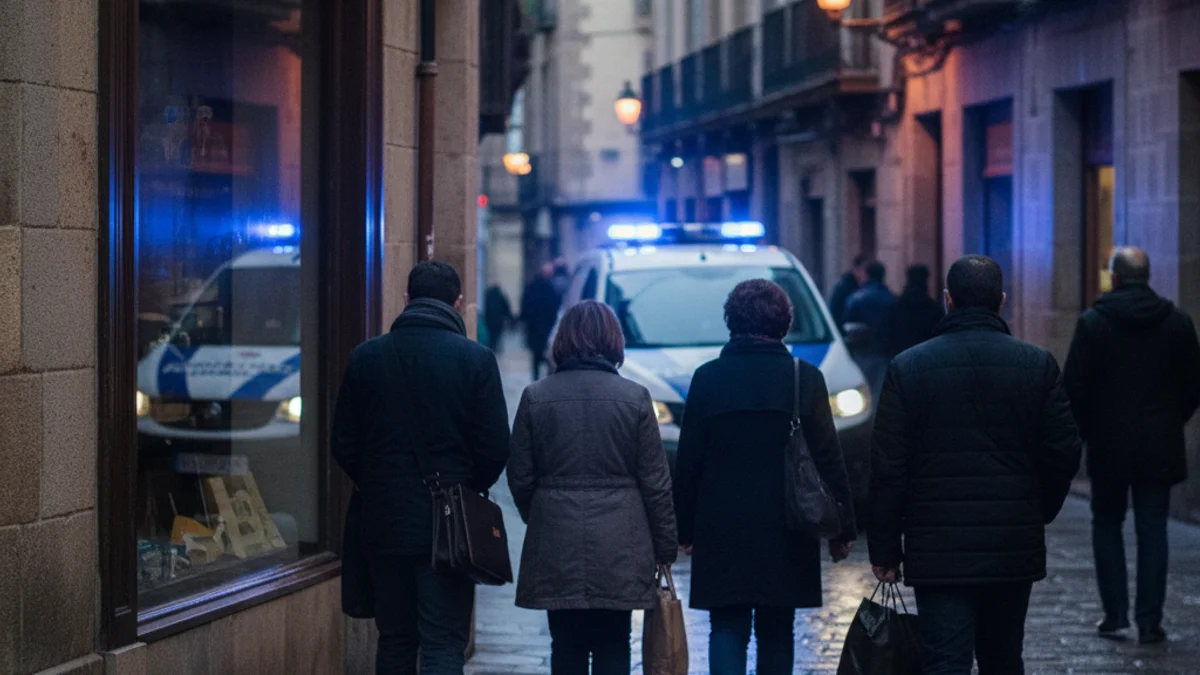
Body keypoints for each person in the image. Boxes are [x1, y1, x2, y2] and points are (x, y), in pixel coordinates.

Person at [868, 254, 1082, 675]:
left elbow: (888, 465)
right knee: (1003, 659)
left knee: (945, 661)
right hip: (1010, 543)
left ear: (948, 300)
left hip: (938, 548)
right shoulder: (1036, 364)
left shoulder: (909, 368)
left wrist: (886, 549)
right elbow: (1064, 450)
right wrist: (1037, 509)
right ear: (1000, 301)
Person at [331, 261, 512, 675]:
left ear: (406, 300)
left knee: (394, 640)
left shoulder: (366, 357)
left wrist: (378, 483)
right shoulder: (476, 360)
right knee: (443, 642)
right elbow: (494, 447)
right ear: (459, 303)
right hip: (449, 529)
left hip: (384, 521)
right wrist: (465, 489)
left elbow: (343, 442)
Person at [675, 279, 857, 675]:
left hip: (721, 524)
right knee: (778, 627)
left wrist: (684, 528)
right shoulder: (803, 378)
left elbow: (688, 460)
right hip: (788, 525)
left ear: (731, 321)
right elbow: (829, 458)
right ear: (784, 323)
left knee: (726, 624)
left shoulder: (708, 379)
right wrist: (843, 528)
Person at [508, 300, 677, 675]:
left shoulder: (537, 396)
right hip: (621, 540)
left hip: (556, 537)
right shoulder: (635, 398)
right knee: (614, 641)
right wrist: (665, 546)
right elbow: (656, 482)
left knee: (565, 644)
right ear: (613, 341)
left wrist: (542, 514)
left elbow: (519, 475)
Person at [1063, 247, 1200, 644]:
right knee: (1153, 530)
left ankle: (1115, 613)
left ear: (1115, 278)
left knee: (1106, 524)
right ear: (1149, 276)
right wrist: (1172, 420)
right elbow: (1193, 385)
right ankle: (1149, 619)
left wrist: (1087, 431)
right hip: (1159, 443)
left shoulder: (1093, 323)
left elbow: (1075, 388)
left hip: (1108, 444)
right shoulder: (1176, 323)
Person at [843, 261, 896, 398]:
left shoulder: (856, 298)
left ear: (868, 275)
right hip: (885, 352)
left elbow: (847, 325)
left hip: (862, 352)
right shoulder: (891, 298)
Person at [887, 264, 944, 355]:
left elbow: (888, 337)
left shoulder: (895, 306)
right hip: (926, 357)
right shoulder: (934, 308)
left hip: (900, 357)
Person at [521, 262, 562, 380]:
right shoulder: (550, 288)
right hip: (543, 327)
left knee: (538, 355)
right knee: (543, 354)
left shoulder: (534, 287)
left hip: (538, 327)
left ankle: (537, 378)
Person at [829, 253, 870, 330]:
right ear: (856, 269)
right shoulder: (845, 286)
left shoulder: (864, 286)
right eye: (863, 270)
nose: (865, 274)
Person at [484, 284, 514, 352]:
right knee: (497, 336)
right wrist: (510, 318)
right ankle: (494, 348)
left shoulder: (488, 296)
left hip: (490, 320)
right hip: (498, 321)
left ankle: (491, 347)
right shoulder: (500, 296)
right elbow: (507, 308)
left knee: (491, 336)